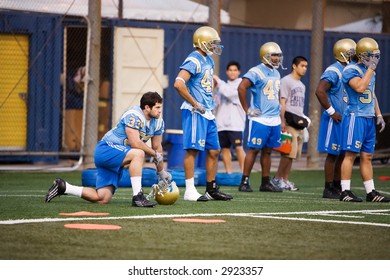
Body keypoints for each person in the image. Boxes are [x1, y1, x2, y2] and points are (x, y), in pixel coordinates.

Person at [45, 91, 172, 207]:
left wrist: (161, 172)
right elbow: (136, 143)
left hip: (119, 156)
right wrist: (154, 154)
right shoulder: (134, 115)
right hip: (106, 150)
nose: (160, 111)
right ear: (147, 107)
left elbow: (157, 147)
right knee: (138, 153)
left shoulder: (158, 122)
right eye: (157, 108)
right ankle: (138, 196)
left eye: (160, 107)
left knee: (102, 197)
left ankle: (64, 187)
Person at [173, 26, 232, 201]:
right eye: (212, 43)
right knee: (193, 150)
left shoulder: (209, 60)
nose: (215, 46)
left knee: (214, 150)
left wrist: (209, 97)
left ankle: (211, 189)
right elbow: (178, 83)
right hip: (194, 111)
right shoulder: (194, 59)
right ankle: (190, 191)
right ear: (203, 42)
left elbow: (205, 83)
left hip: (207, 111)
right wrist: (195, 103)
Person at [340, 37, 389, 203]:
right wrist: (371, 70)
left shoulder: (370, 71)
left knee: (367, 156)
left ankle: (371, 192)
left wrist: (379, 114)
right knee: (351, 154)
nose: (374, 60)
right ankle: (345, 191)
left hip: (368, 117)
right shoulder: (350, 70)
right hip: (355, 116)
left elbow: (371, 93)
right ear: (362, 55)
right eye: (371, 56)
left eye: (376, 56)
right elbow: (360, 88)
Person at [237, 42, 285, 193]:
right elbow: (241, 87)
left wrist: (279, 112)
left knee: (268, 151)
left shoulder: (276, 73)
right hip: (260, 118)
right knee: (254, 150)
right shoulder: (256, 71)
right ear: (266, 55)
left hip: (273, 119)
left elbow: (276, 92)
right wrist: (247, 109)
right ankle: (244, 181)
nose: (277, 58)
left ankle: (265, 182)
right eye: (274, 55)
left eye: (278, 55)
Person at [315, 39, 356, 199]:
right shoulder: (334, 70)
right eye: (351, 52)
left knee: (342, 153)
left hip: (345, 118)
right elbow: (320, 91)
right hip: (335, 119)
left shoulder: (350, 69)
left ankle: (338, 185)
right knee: (332, 154)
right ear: (343, 53)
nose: (353, 55)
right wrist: (332, 111)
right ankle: (328, 187)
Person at [271, 56, 309, 191]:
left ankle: (285, 179)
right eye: (302, 66)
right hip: (289, 121)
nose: (304, 69)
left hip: (298, 123)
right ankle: (277, 179)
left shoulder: (302, 85)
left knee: (293, 155)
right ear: (294, 66)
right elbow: (282, 103)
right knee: (287, 153)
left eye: (306, 66)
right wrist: (282, 121)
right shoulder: (286, 81)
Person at [213, 61, 246, 173]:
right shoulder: (223, 86)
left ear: (239, 72)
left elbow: (230, 94)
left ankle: (244, 173)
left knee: (238, 148)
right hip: (222, 124)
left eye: (235, 70)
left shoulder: (241, 85)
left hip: (236, 124)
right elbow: (216, 102)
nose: (232, 72)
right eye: (230, 70)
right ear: (227, 72)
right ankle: (229, 172)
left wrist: (218, 81)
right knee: (225, 149)